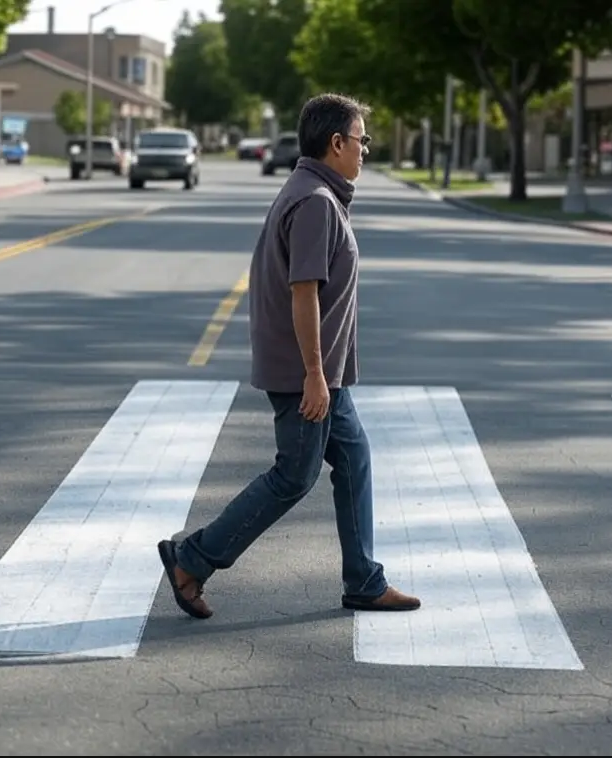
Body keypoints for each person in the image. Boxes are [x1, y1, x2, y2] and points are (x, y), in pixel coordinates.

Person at [158, 93, 421, 620]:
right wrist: (315, 375)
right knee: (294, 476)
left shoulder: (316, 193)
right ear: (337, 142)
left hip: (324, 374)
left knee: (353, 460)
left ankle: (364, 580)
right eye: (361, 139)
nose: (365, 149)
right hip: (307, 374)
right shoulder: (316, 204)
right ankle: (191, 558)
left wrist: (327, 374)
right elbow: (304, 291)